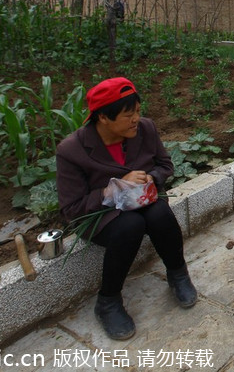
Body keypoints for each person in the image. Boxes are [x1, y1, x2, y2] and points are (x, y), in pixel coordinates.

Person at [56, 77, 197, 340]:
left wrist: (151, 178)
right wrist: (115, 189)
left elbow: (165, 165)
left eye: (138, 111)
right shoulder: (72, 150)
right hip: (101, 216)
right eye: (128, 114)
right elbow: (72, 209)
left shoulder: (145, 129)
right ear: (103, 118)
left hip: (143, 202)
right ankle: (108, 301)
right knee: (130, 225)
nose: (136, 119)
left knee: (160, 213)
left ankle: (178, 274)